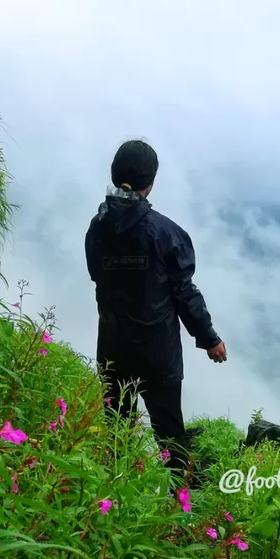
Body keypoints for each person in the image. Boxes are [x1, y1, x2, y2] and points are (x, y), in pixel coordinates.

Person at [85, 139, 227, 479]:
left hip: (113, 345)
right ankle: (182, 500)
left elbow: (97, 277)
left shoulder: (97, 228)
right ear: (151, 182)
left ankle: (110, 498)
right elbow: (184, 293)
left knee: (116, 427)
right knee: (168, 429)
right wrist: (209, 339)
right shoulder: (167, 233)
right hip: (156, 351)